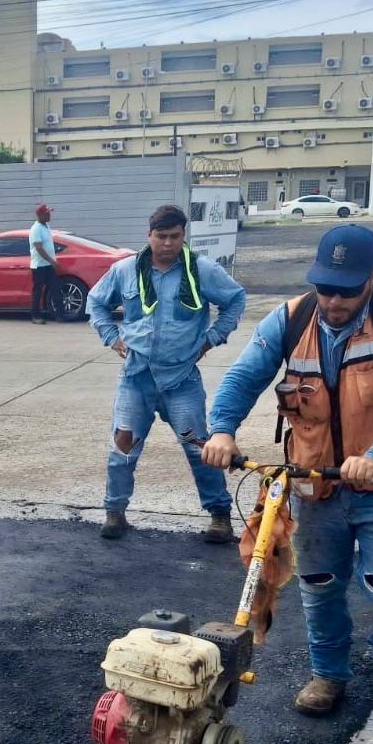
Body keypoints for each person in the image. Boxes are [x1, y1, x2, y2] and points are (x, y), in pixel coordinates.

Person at [201, 225, 373, 733]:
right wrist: (221, 429)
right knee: (319, 585)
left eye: (346, 291)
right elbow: (244, 376)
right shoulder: (291, 318)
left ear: (372, 277)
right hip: (314, 484)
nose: (332, 300)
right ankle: (328, 675)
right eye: (324, 287)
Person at [88, 204, 246, 543]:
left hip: (181, 380)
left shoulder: (200, 271)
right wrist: (112, 339)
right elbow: (96, 302)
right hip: (136, 378)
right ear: (149, 236)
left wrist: (213, 338)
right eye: (161, 237)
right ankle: (114, 512)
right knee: (123, 447)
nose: (168, 244)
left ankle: (220, 516)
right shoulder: (125, 270)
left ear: (183, 237)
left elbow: (235, 300)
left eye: (175, 237)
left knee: (201, 449)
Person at [29, 203, 57, 324]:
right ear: (40, 215)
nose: (49, 215)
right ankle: (35, 316)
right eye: (47, 214)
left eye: (49, 213)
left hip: (48, 265)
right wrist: (51, 261)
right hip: (39, 266)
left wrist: (52, 261)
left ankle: (60, 314)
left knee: (55, 288)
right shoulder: (36, 229)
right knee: (38, 291)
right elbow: (39, 248)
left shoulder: (46, 226)